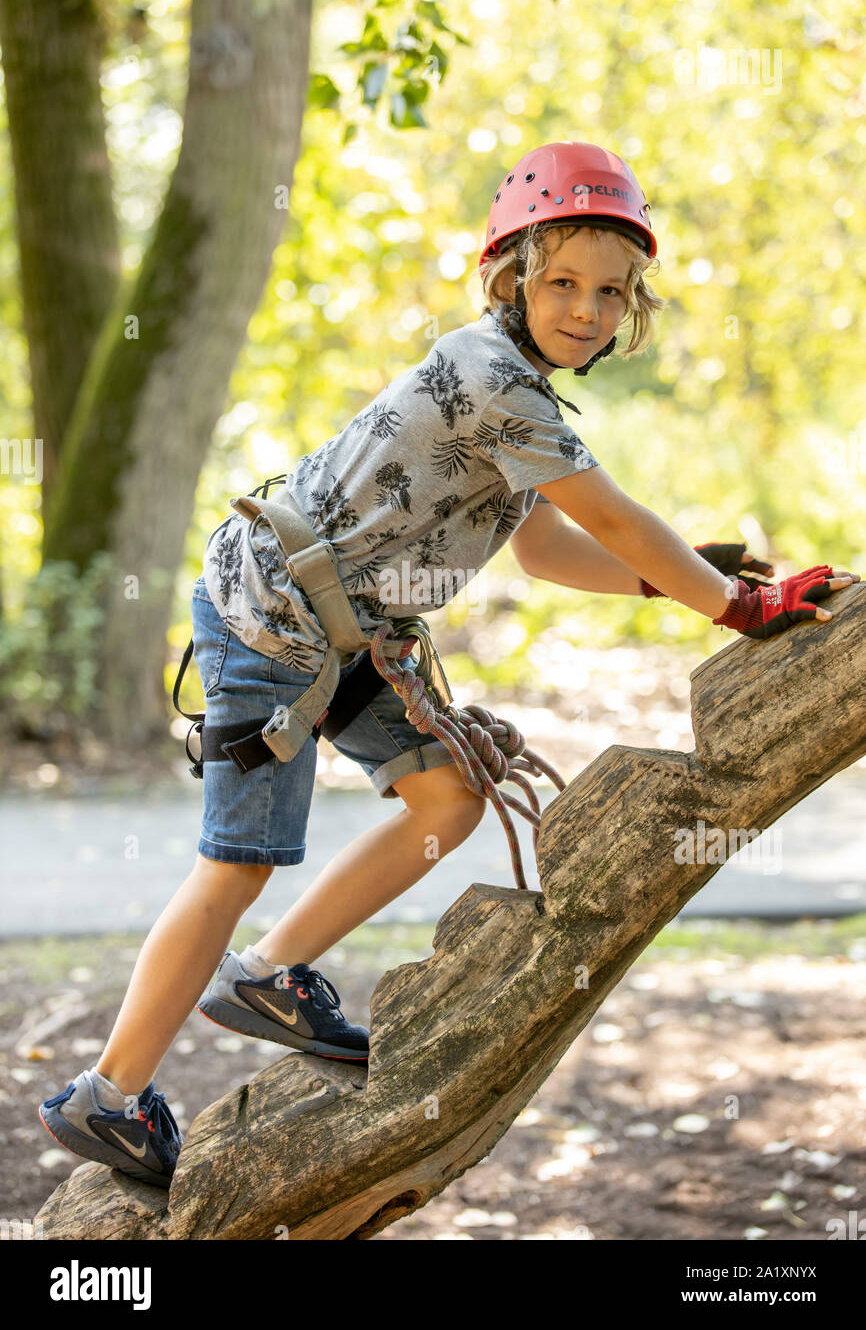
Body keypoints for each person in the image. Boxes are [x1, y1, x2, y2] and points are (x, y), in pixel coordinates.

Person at [37, 141, 859, 1188]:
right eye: (560, 281)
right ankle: (105, 1095)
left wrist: (680, 577)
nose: (586, 308)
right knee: (234, 861)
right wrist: (731, 602)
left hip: (353, 626)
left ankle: (270, 976)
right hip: (271, 615)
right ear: (509, 278)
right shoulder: (487, 374)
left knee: (446, 797)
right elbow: (605, 514)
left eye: (611, 292)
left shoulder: (524, 398)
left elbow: (550, 547)